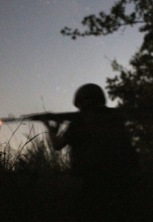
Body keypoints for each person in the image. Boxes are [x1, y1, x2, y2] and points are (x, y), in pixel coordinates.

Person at [44, 83, 139, 221]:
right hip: (124, 178)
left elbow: (57, 145)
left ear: (83, 101)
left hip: (94, 181)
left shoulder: (81, 120)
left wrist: (50, 128)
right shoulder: (115, 116)